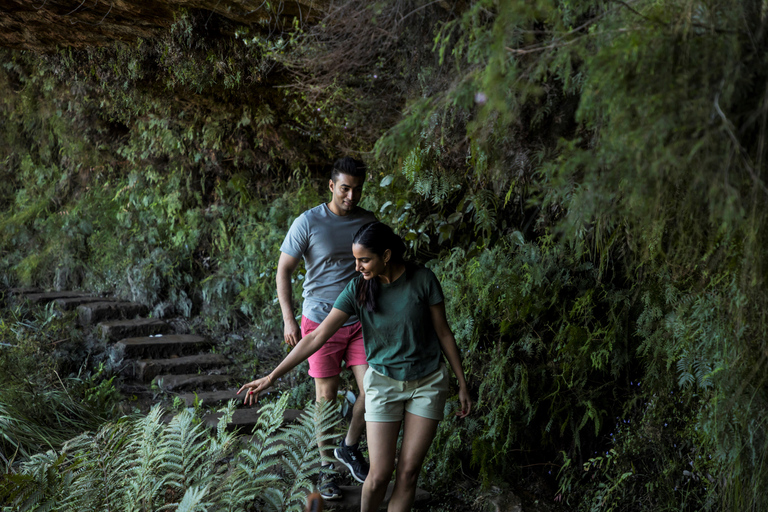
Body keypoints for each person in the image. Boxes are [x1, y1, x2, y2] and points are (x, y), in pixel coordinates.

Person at [239, 221, 472, 512]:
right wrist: (272, 376)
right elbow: (317, 336)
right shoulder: (358, 288)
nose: (357, 266)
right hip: (383, 384)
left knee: (409, 473)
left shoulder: (423, 280)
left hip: (427, 383)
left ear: (386, 255)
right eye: (355, 260)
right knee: (377, 476)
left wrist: (461, 384)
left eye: (364, 260)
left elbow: (444, 333)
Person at [276, 157, 376, 500]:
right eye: (345, 188)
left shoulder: (367, 222)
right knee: (326, 398)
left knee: (373, 390)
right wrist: (290, 319)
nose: (351, 195)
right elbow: (283, 270)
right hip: (320, 321)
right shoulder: (308, 222)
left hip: (360, 320)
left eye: (357, 189)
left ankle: (348, 447)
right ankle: (325, 469)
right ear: (332, 186)